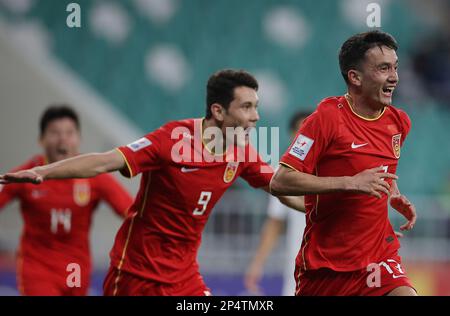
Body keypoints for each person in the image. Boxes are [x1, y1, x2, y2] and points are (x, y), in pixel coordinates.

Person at [0, 70, 304, 296]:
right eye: (247, 107)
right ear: (218, 111)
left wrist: (336, 199)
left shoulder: (242, 153)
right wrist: (45, 172)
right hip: (136, 275)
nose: (256, 116)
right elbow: (105, 160)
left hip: (184, 277)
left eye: (256, 106)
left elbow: (282, 189)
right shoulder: (171, 140)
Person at [270, 31, 418, 296]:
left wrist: (393, 194)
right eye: (383, 68)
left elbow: (379, 172)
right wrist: (350, 183)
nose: (394, 77)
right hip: (326, 266)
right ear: (355, 77)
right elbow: (280, 181)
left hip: (378, 256)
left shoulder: (399, 122)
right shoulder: (326, 118)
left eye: (395, 67)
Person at [0, 105, 133, 296]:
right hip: (37, 268)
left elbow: (131, 211)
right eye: (54, 132)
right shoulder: (27, 175)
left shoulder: (93, 176)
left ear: (79, 139)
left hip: (76, 267)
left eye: (69, 132)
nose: (63, 138)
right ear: (41, 139)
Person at [245, 111, 309, 296]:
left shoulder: (337, 171)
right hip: (300, 270)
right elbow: (275, 223)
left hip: (338, 267)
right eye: (301, 131)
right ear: (292, 136)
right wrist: (257, 264)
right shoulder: (282, 175)